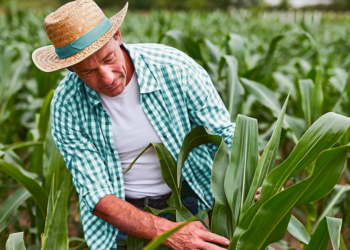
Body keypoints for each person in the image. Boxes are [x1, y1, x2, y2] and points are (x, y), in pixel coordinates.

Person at [32, 0, 239, 249]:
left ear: (117, 36)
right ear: (71, 69)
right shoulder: (67, 105)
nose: (106, 78)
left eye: (109, 58)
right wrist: (166, 232)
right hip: (121, 221)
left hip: (187, 207)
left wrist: (256, 176)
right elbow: (96, 193)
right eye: (87, 72)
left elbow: (226, 133)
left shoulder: (175, 69)